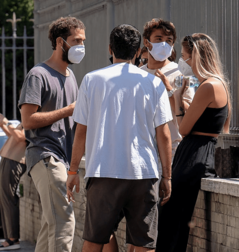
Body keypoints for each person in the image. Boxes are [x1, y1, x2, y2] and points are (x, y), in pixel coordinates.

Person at [67, 24, 173, 252]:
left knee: (94, 240)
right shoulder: (154, 83)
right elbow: (163, 135)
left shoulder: (91, 80)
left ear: (110, 49)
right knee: (143, 244)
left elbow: (81, 132)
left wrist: (73, 171)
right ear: (138, 52)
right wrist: (167, 176)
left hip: (103, 172)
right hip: (143, 172)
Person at [156, 33, 231, 252]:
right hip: (199, 152)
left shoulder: (208, 86)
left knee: (171, 220)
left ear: (196, 57)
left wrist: (178, 97)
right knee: (175, 220)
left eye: (186, 57)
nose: (183, 62)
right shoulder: (218, 84)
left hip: (193, 155)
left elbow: (183, 128)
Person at [19, 16, 86, 252]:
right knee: (64, 222)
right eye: (76, 41)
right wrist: (68, 110)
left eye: (83, 41)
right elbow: (27, 120)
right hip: (46, 156)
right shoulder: (38, 74)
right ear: (60, 42)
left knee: (52, 226)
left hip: (62, 159)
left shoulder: (71, 76)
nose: (81, 47)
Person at [140, 18, 194, 159]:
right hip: (143, 148)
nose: (164, 44)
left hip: (172, 149)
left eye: (169, 40)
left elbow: (189, 112)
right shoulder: (138, 74)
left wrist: (169, 89)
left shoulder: (181, 73)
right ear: (147, 42)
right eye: (158, 39)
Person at [0, 112, 26, 251]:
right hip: (9, 159)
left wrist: (7, 123)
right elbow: (13, 137)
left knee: (9, 198)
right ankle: (9, 237)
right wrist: (3, 126)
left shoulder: (33, 118)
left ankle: (13, 238)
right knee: (4, 198)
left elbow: (21, 138)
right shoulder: (27, 118)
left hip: (15, 160)